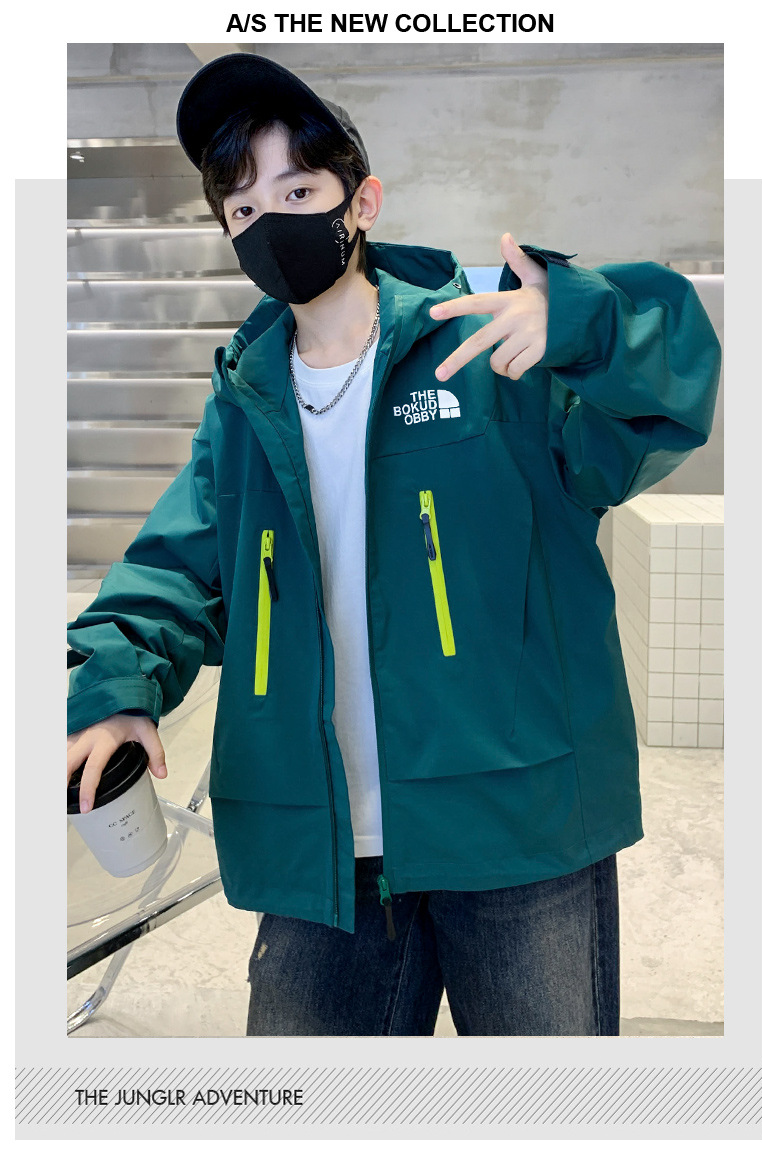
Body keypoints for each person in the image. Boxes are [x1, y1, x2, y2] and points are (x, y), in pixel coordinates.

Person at [66, 53, 722, 1037]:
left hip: (515, 823)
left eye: (298, 191)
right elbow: (175, 570)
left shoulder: (486, 344)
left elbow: (669, 397)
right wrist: (113, 689)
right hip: (321, 843)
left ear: (361, 201)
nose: (271, 222)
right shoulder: (245, 400)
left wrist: (582, 324)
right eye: (244, 208)